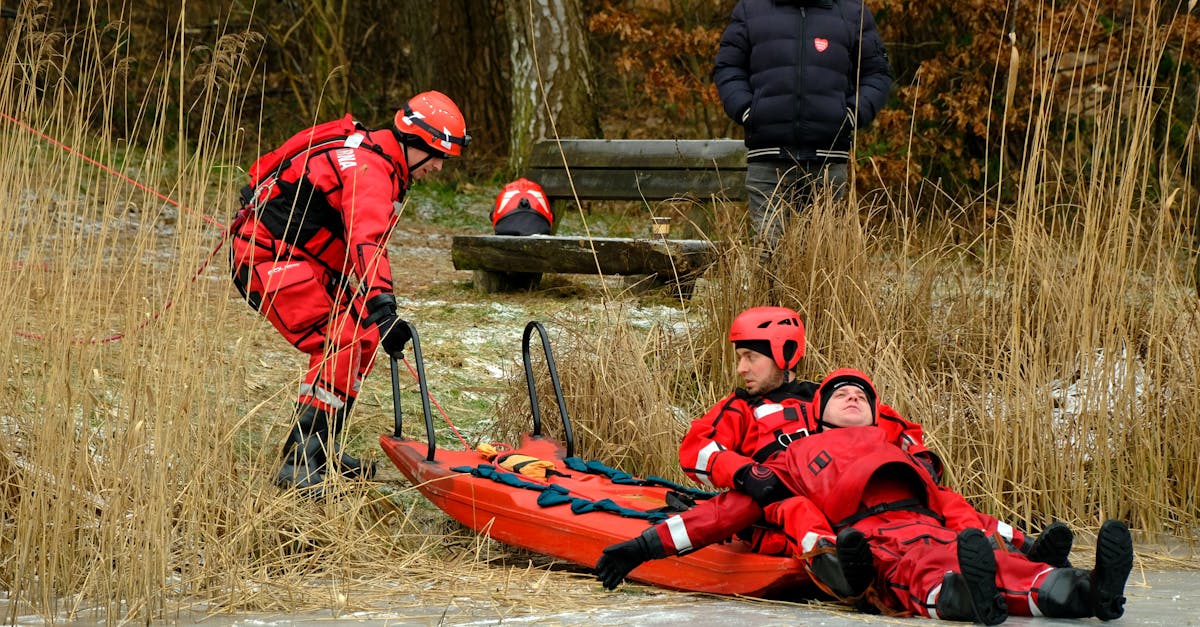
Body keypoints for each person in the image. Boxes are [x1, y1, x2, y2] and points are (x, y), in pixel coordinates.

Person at [597, 370, 1133, 624]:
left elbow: (957, 510)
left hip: (935, 527)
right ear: (820, 414)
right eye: (839, 395)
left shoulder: (896, 451)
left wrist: (1022, 541)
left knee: (989, 557)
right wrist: (644, 547)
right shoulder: (793, 457)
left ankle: (1085, 591)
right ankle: (967, 599)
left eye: (861, 396)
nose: (852, 397)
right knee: (923, 570)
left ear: (876, 415)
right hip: (868, 540)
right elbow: (727, 511)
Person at [229, 91, 470, 494]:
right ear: (414, 143)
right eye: (436, 155)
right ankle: (301, 466)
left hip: (301, 258)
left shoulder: (378, 157)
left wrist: (379, 315)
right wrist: (384, 306)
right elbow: (367, 241)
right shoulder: (370, 169)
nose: (440, 167)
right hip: (264, 257)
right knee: (343, 340)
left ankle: (319, 449)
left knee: (365, 335)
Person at [678, 306, 938, 554]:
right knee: (798, 510)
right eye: (740, 358)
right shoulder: (742, 408)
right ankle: (831, 558)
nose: (741, 369)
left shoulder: (829, 399)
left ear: (785, 354)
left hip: (852, 508)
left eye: (751, 357)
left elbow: (896, 427)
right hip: (781, 516)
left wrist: (920, 459)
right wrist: (745, 473)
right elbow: (696, 448)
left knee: (939, 501)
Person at [712, 0, 893, 253]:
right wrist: (748, 111)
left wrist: (850, 115)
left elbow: (877, 73)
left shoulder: (853, 12)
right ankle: (768, 295)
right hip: (768, 159)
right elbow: (728, 66)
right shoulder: (751, 9)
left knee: (819, 261)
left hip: (827, 161)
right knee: (769, 256)